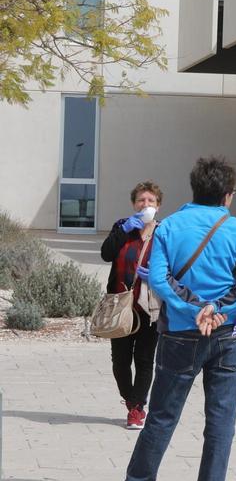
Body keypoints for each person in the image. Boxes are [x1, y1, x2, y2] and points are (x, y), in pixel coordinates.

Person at [104, 156, 236, 481]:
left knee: (163, 414)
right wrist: (218, 309)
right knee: (222, 417)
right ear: (228, 195)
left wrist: (196, 310)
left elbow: (160, 280)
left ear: (194, 188)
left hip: (181, 333)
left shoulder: (169, 227)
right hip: (229, 334)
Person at [99, 182, 164, 430]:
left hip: (149, 308)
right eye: (140, 200)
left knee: (145, 360)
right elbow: (106, 254)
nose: (145, 205)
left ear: (158, 206)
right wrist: (124, 230)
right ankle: (130, 399)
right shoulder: (122, 227)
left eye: (150, 201)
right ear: (133, 204)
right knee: (120, 361)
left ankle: (137, 409)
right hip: (120, 306)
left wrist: (155, 276)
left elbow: (173, 267)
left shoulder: (163, 232)